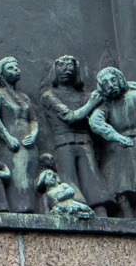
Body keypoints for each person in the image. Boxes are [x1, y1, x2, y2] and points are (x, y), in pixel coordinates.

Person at [71, 66, 136, 219]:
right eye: (105, 83)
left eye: (113, 80)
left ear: (120, 79)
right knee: (116, 181)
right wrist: (116, 136)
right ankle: (127, 214)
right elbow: (95, 122)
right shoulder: (106, 105)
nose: (111, 85)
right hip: (118, 143)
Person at [39, 54, 107, 207]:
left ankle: (100, 208)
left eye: (70, 67)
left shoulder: (85, 95)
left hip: (85, 142)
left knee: (92, 178)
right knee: (68, 179)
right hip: (64, 143)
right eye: (62, 67)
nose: (66, 70)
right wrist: (91, 104)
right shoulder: (49, 96)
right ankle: (73, 206)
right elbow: (70, 117)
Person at [0, 56, 41, 213]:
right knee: (15, 177)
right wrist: (7, 137)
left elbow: (34, 119)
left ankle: (31, 208)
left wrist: (34, 134)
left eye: (17, 67)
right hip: (11, 143)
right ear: (1, 74)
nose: (16, 70)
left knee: (29, 177)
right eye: (10, 68)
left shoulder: (24, 97)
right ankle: (17, 208)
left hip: (29, 143)